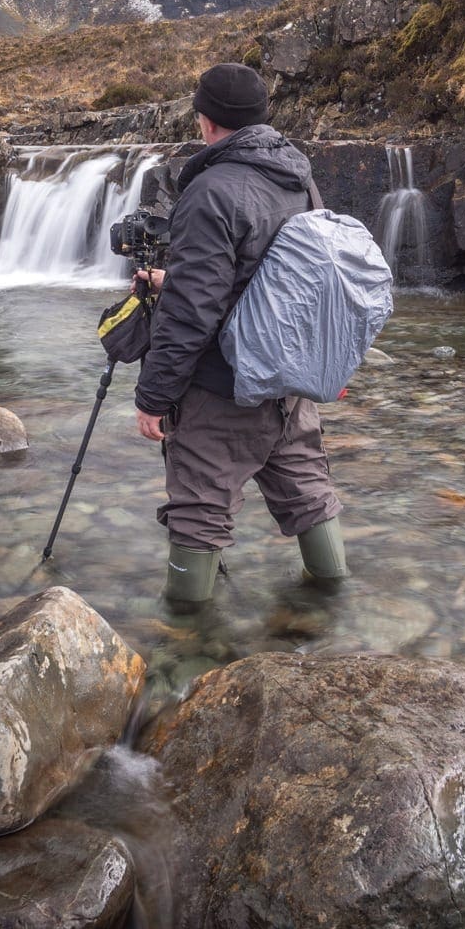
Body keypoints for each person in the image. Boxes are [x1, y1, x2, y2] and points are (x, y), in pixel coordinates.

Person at [132, 62, 345, 610]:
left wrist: (153, 398)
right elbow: (270, 275)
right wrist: (173, 277)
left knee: (199, 507)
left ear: (205, 121)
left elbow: (191, 314)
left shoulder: (210, 191)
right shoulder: (297, 177)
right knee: (307, 489)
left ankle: (185, 634)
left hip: (222, 387)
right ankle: (335, 600)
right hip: (288, 381)